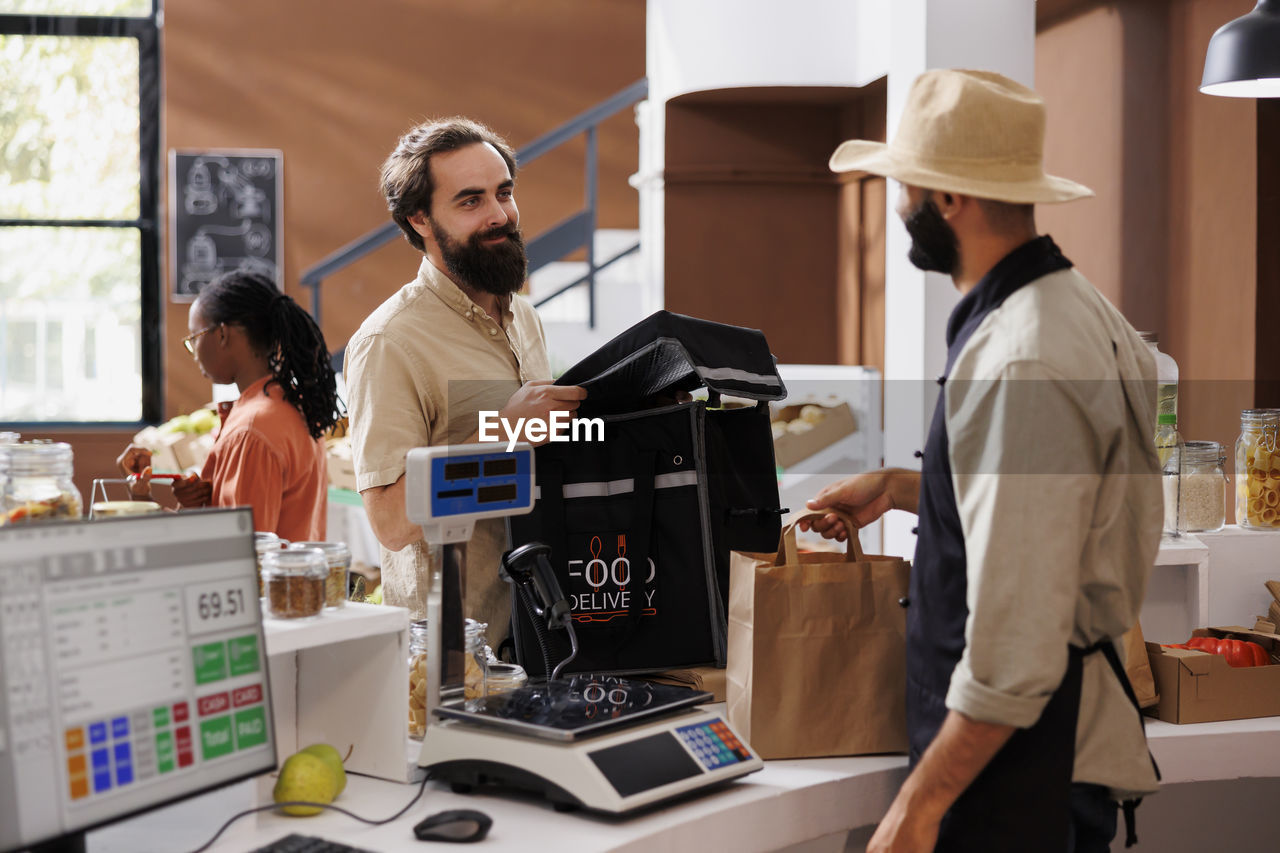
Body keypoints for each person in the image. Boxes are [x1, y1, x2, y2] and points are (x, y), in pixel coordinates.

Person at [803, 70, 1162, 852]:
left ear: (948, 199)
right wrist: (905, 489)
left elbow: (1016, 646)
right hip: (1035, 760)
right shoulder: (1076, 306)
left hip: (1020, 779)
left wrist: (916, 808)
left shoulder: (1020, 362)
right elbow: (1060, 509)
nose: (899, 205)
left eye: (905, 185)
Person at [344, 117, 585, 634]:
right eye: (471, 201)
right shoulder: (389, 342)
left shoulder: (526, 319)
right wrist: (502, 431)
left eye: (505, 193)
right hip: (457, 657)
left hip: (546, 629)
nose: (501, 215)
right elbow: (389, 523)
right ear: (420, 220)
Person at [118, 270, 340, 541]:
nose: (194, 352)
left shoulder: (252, 428)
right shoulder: (287, 404)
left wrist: (143, 504)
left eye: (194, 337)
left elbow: (239, 553)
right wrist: (198, 504)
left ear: (222, 335)